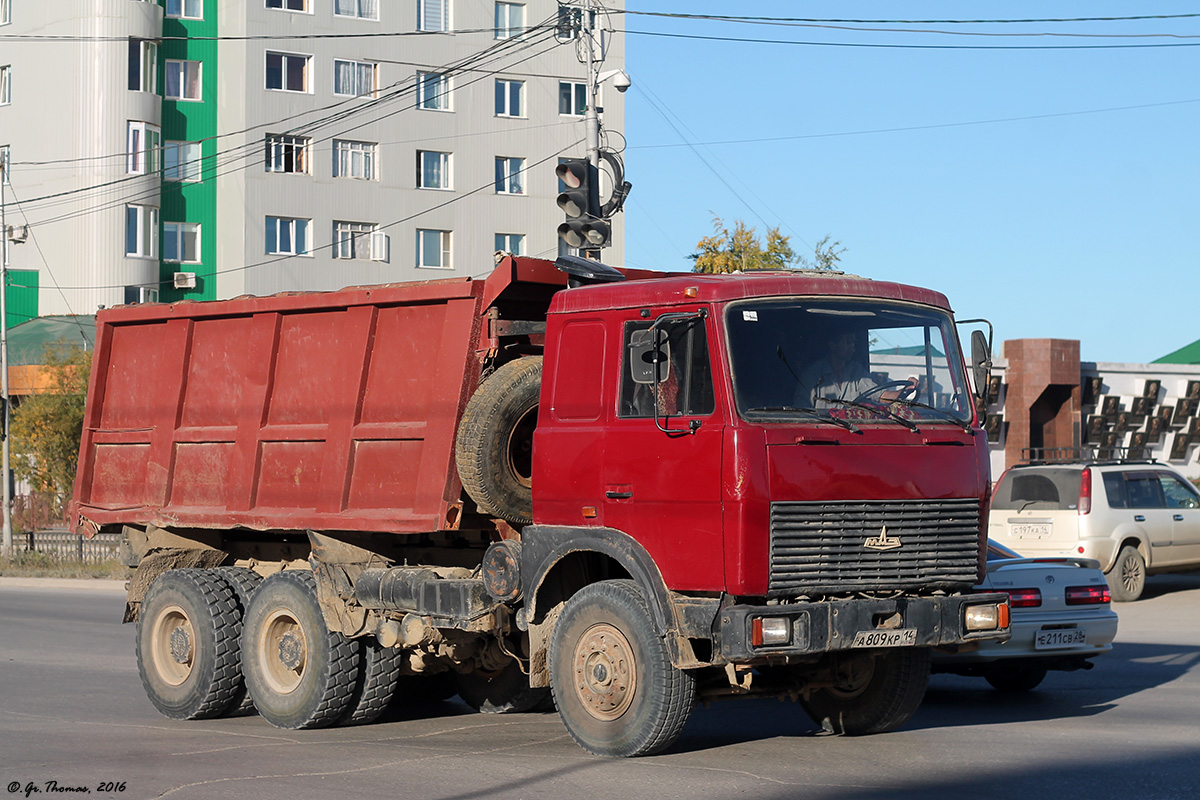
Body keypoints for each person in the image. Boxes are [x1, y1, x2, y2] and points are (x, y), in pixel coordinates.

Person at [797, 331, 917, 408]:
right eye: (848, 343)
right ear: (833, 345)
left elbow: (881, 395)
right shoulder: (812, 375)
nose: (853, 349)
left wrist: (903, 391)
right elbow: (801, 412)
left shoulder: (856, 372)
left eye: (853, 344)